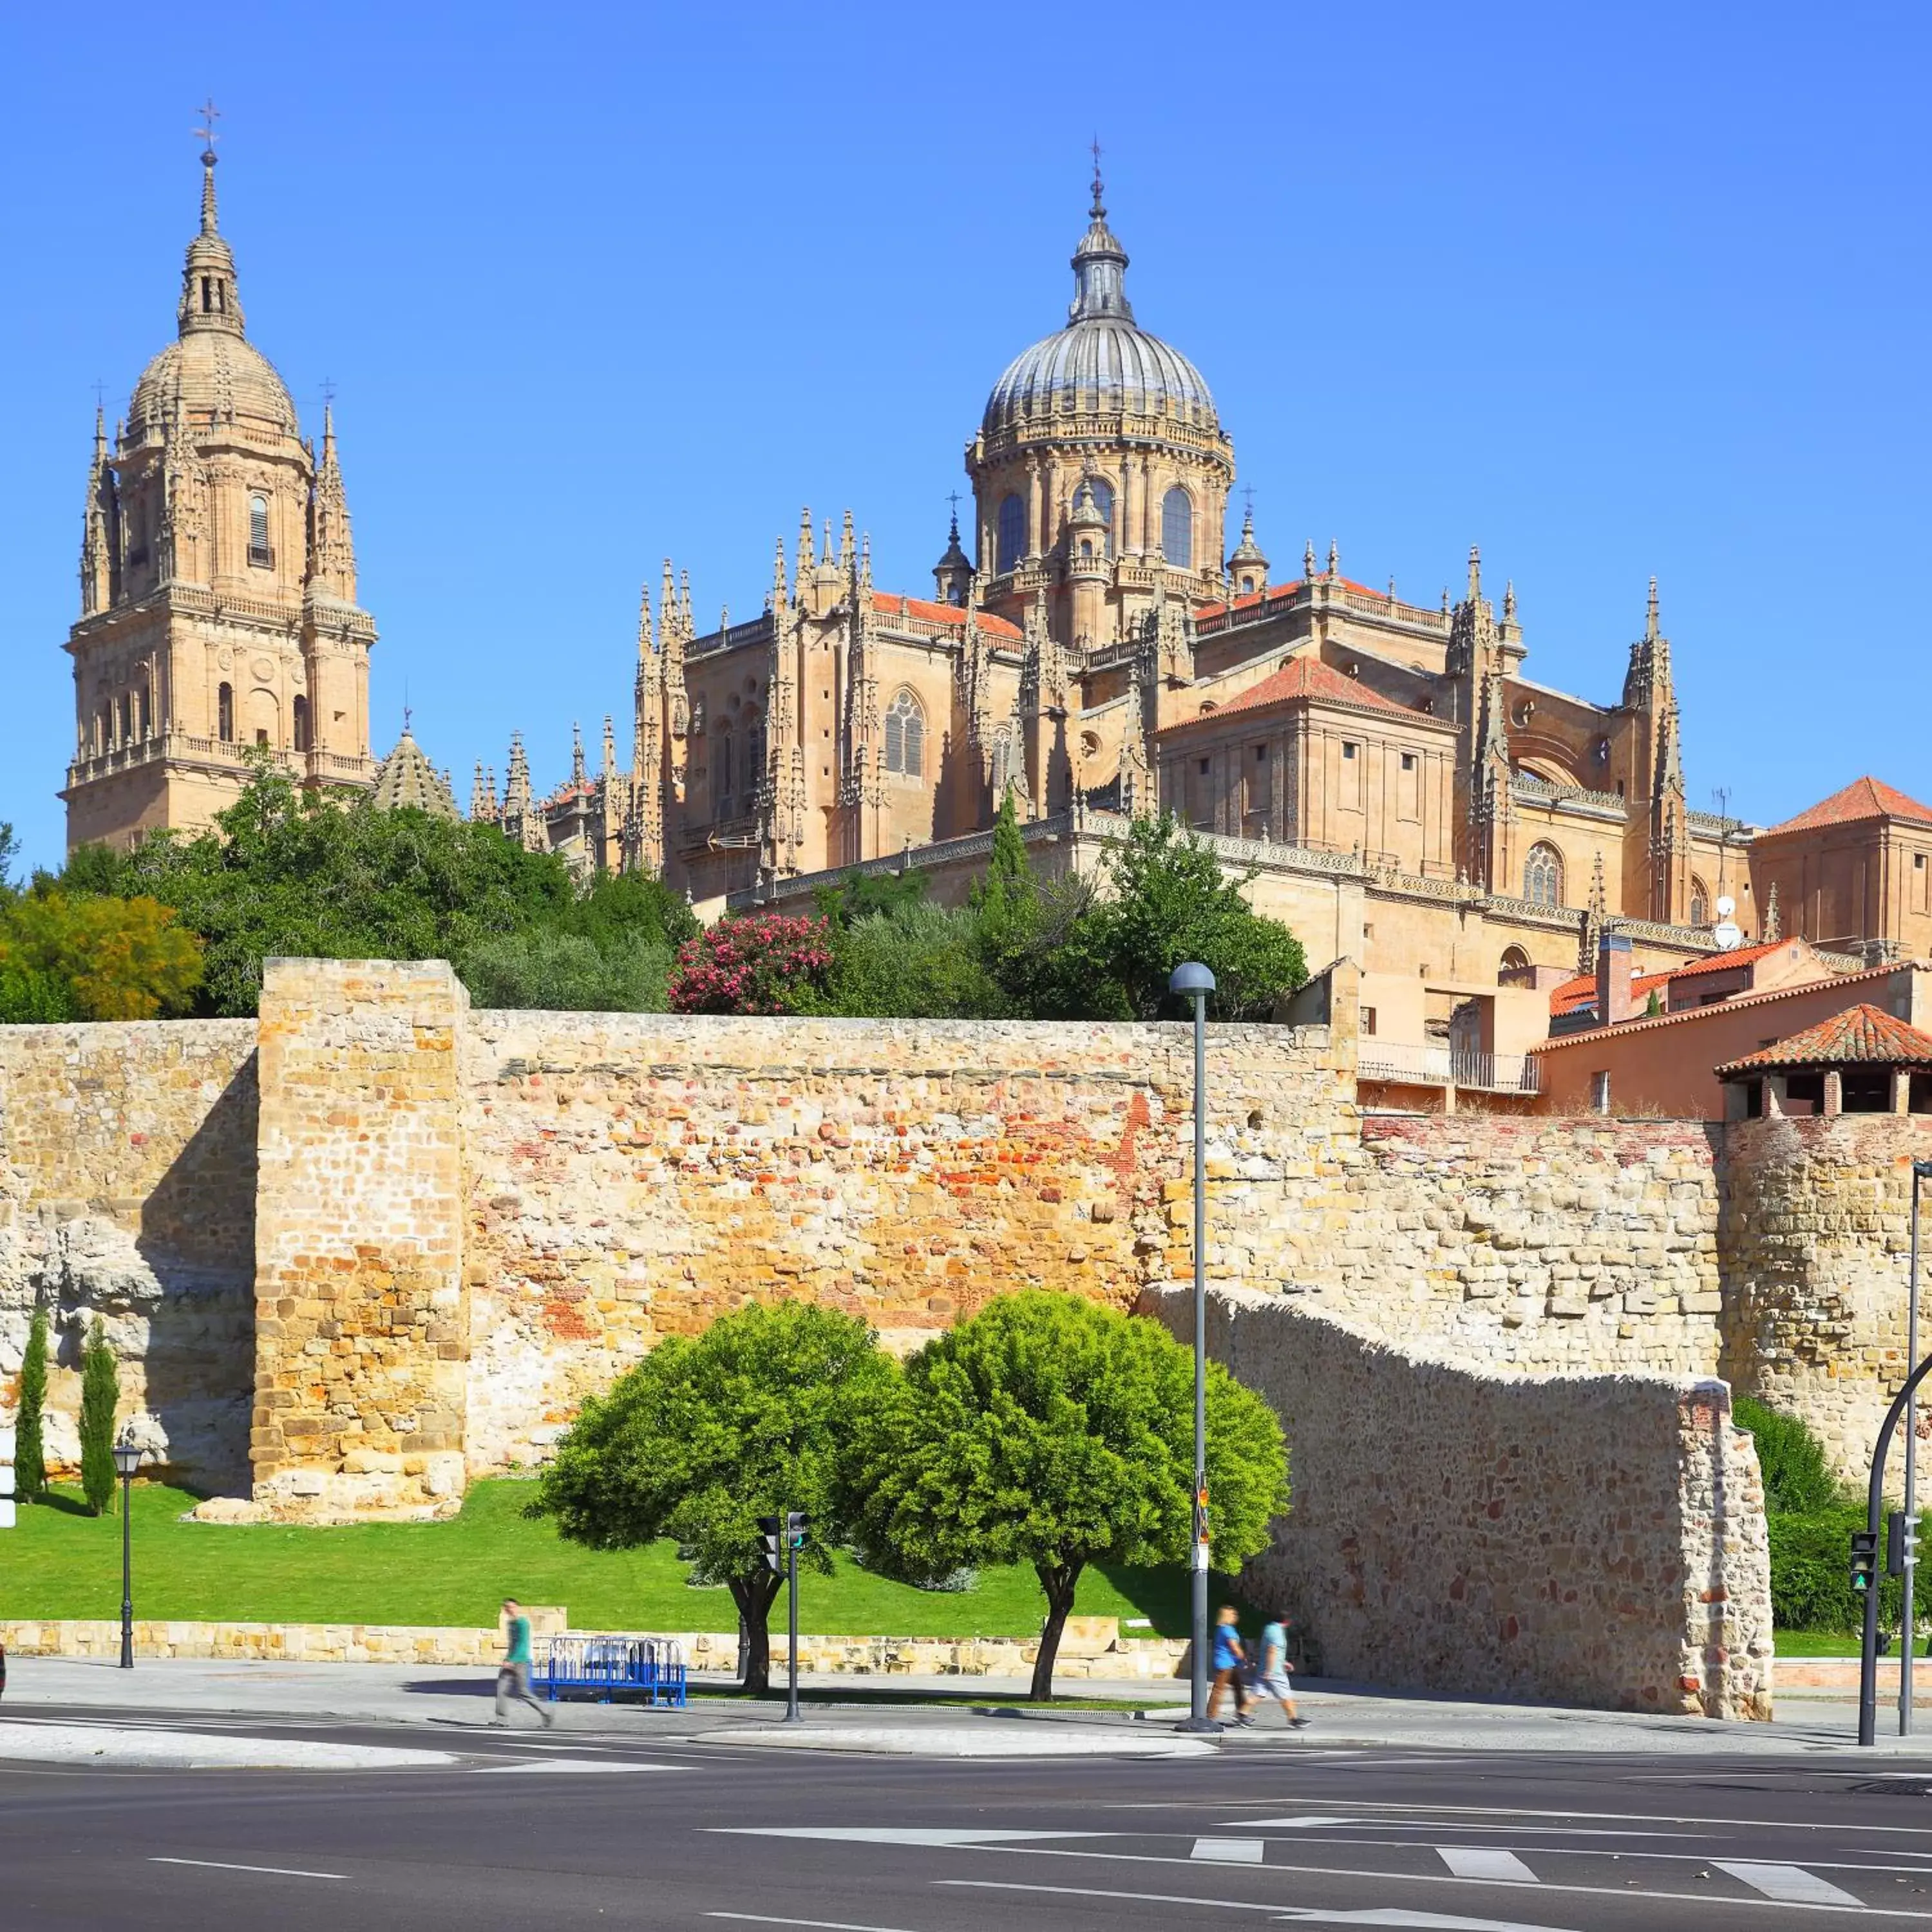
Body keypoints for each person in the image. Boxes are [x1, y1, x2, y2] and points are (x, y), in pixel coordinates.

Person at [1242, 1609, 1311, 1730]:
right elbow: (1272, 1650)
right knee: (1286, 1695)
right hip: (1274, 1671)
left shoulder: (1269, 1629)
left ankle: (1241, 1715)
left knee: (1258, 1693)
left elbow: (1273, 1651)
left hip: (1265, 1668)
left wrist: (1283, 1662)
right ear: (1287, 1621)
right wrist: (1270, 1670)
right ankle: (1293, 1719)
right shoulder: (1277, 1632)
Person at [493, 1596, 554, 1728]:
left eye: (512, 1607)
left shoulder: (523, 1623)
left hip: (521, 1661)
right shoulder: (511, 1624)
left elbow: (522, 1644)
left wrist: (512, 1660)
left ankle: (547, 1712)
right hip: (510, 1660)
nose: (510, 1610)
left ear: (517, 1608)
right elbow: (513, 1644)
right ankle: (502, 1720)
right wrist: (507, 1659)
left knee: (524, 1692)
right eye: (507, 1608)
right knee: (501, 1689)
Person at [1206, 1604, 1248, 1723]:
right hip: (1226, 1665)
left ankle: (1242, 1713)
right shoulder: (1227, 1630)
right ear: (1227, 1616)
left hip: (1229, 1664)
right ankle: (1210, 1715)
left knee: (1238, 1688)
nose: (1236, 1617)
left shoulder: (1222, 1629)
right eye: (1234, 1615)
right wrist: (1243, 1657)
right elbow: (1234, 1647)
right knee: (1219, 1690)